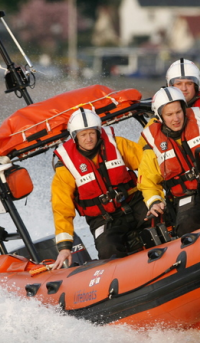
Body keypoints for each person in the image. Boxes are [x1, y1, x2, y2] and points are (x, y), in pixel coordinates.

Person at [51, 108, 149, 269]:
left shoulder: (117, 144)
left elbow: (148, 165)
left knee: (162, 220)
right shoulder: (65, 168)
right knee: (107, 248)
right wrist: (64, 248)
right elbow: (61, 207)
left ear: (98, 132)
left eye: (92, 133)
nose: (88, 139)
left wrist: (156, 197)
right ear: (75, 137)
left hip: (135, 203)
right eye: (83, 135)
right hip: (103, 218)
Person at [138, 87, 200, 237]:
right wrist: (154, 201)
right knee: (187, 224)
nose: (176, 118)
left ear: (184, 110)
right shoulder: (154, 145)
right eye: (169, 114)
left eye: (178, 112)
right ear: (160, 117)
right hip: (186, 195)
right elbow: (147, 181)